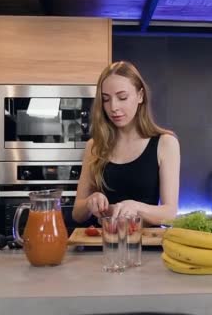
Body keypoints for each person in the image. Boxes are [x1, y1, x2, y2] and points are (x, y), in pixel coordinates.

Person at [72, 61, 180, 226]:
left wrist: (136, 207)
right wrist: (90, 202)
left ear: (140, 96)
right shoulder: (94, 146)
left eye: (122, 97)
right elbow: (77, 214)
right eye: (106, 100)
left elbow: (170, 213)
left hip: (146, 246)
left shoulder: (165, 143)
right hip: (105, 243)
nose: (113, 107)